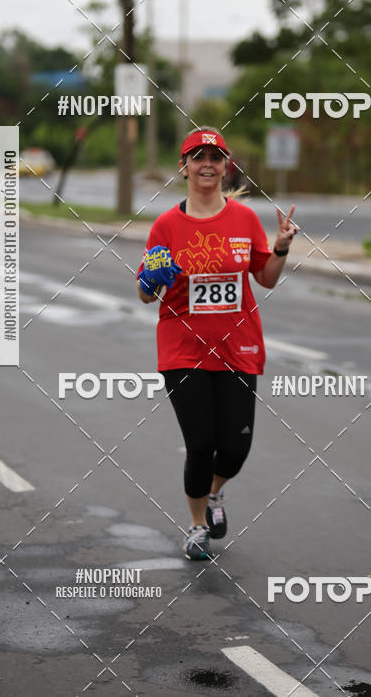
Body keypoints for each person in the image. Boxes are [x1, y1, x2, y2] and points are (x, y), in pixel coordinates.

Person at [136, 128, 298, 560]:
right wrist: (150, 279)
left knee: (235, 447)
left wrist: (281, 248)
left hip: (238, 348)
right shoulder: (166, 225)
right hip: (182, 349)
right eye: (198, 156)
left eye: (215, 156)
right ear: (184, 166)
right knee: (201, 442)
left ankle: (214, 493)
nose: (207, 163)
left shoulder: (245, 219)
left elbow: (264, 278)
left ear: (226, 166)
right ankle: (194, 526)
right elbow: (145, 292)